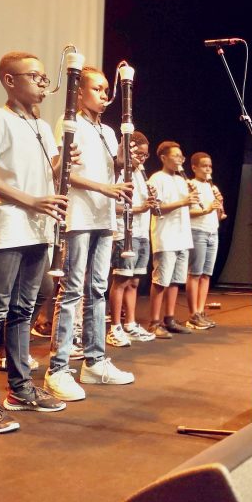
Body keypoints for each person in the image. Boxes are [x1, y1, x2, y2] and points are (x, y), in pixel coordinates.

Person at [0, 51, 68, 433]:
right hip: (10, 225)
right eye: (35, 77)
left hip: (38, 227)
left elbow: (46, 173)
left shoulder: (40, 126)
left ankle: (21, 389)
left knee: (23, 310)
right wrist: (30, 201)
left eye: (44, 78)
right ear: (10, 81)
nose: (43, 84)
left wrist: (64, 160)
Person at [44, 66, 135, 402]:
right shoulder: (69, 122)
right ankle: (58, 368)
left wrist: (124, 153)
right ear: (79, 93)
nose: (104, 95)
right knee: (72, 291)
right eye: (97, 89)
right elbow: (64, 172)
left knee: (97, 288)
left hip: (103, 216)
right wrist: (105, 188)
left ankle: (95, 362)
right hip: (79, 216)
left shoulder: (108, 131)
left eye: (107, 89)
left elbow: (116, 169)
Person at [107, 131, 157, 346]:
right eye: (139, 154)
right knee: (121, 280)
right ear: (130, 151)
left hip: (142, 233)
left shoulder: (141, 174)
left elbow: (145, 205)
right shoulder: (119, 173)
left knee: (134, 281)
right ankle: (115, 327)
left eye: (146, 155)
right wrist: (140, 208)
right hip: (124, 233)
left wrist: (152, 202)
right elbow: (112, 207)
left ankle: (130, 323)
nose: (143, 159)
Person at [146, 141, 197, 338]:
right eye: (176, 156)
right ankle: (154, 322)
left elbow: (188, 207)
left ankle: (169, 319)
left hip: (183, 236)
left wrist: (192, 198)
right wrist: (183, 202)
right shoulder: (156, 179)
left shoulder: (182, 180)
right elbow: (155, 209)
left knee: (176, 280)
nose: (179, 160)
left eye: (181, 156)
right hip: (166, 236)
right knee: (161, 281)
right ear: (163, 158)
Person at [185, 152, 226, 330]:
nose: (208, 169)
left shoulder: (212, 187)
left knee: (206, 274)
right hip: (197, 231)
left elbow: (219, 216)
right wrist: (207, 209)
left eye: (210, 166)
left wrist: (220, 205)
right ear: (194, 167)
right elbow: (187, 212)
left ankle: (201, 311)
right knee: (195, 273)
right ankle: (193, 314)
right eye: (204, 166)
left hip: (212, 232)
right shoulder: (190, 185)